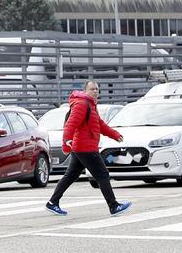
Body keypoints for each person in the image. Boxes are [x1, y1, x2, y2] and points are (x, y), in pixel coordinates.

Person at [46, 80, 132, 217]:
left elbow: (100, 125)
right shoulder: (82, 104)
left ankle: (52, 202)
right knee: (103, 175)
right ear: (85, 91)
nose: (95, 91)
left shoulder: (91, 106)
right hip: (85, 148)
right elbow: (70, 125)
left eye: (97, 89)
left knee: (70, 176)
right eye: (92, 89)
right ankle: (114, 206)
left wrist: (115, 135)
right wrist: (65, 143)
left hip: (82, 148)